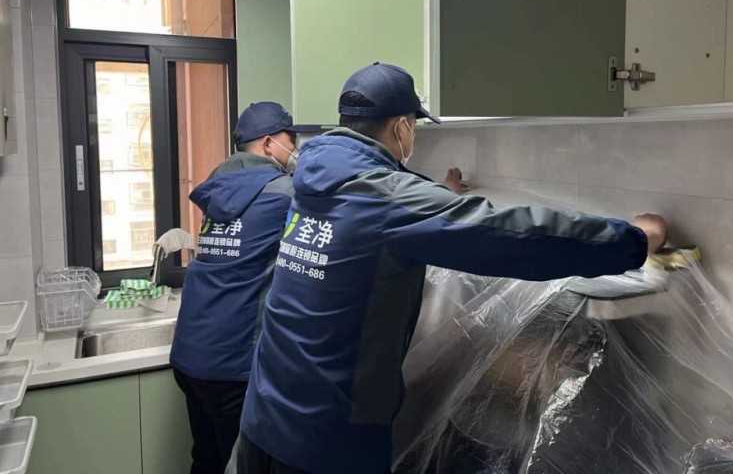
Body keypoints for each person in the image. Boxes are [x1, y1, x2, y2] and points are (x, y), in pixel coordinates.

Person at [229, 63, 668, 474]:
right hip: (325, 438)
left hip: (264, 415)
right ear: (402, 127)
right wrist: (633, 240)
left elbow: (389, 215)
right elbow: (513, 236)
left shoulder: (314, 181)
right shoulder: (384, 197)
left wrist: (441, 197)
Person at [170, 101, 318, 474]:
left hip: (190, 356)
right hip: (232, 364)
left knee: (206, 459)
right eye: (291, 140)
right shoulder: (284, 193)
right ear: (268, 143)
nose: (295, 148)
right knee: (244, 465)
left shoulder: (218, 187)